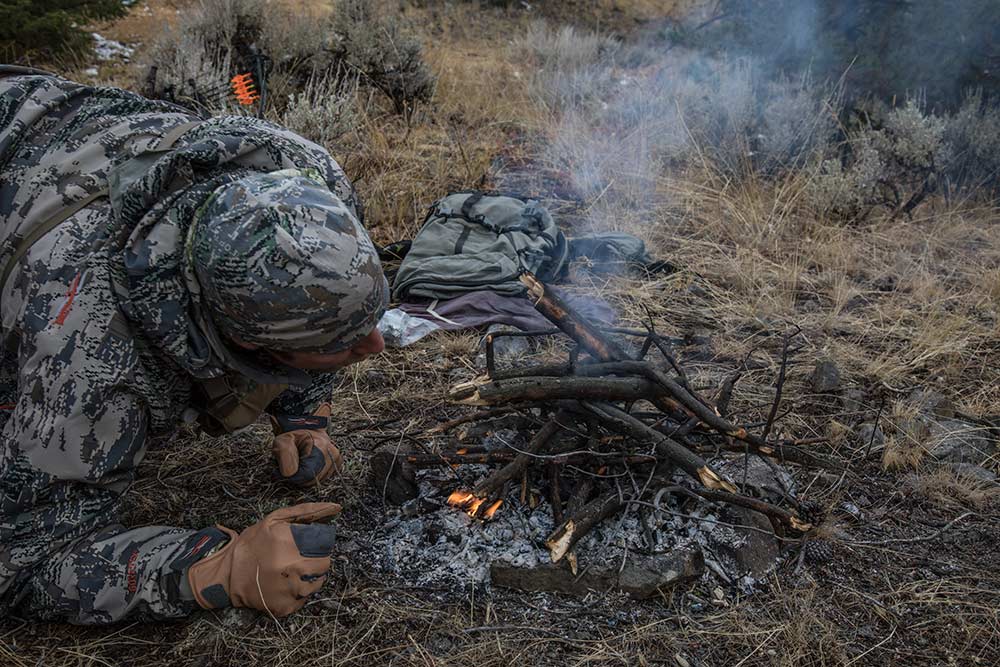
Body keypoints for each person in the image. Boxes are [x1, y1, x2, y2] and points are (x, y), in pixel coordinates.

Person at [0, 66, 388, 624]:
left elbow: (314, 298)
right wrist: (216, 570)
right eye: (341, 343)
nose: (375, 345)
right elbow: (19, 559)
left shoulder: (309, 181)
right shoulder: (87, 356)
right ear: (242, 341)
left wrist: (305, 416)